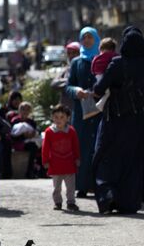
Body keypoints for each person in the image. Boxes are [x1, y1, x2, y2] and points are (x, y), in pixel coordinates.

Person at [92, 26, 144, 214]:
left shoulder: (117, 63)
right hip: (139, 122)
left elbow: (99, 88)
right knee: (133, 162)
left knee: (106, 157)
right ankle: (128, 202)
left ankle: (108, 197)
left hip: (114, 119)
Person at [65, 26, 100, 198]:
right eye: (84, 38)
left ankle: (98, 184)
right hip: (81, 112)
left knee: (98, 147)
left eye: (90, 37)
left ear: (96, 39)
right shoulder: (76, 62)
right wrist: (76, 91)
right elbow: (68, 86)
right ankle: (82, 185)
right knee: (81, 147)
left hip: (99, 111)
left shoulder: (102, 60)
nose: (87, 40)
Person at [41, 104, 80, 211]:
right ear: (52, 117)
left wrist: (77, 158)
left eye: (62, 117)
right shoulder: (49, 132)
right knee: (56, 187)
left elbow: (75, 146)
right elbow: (45, 147)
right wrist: (45, 160)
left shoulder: (71, 131)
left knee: (71, 186)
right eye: (56, 117)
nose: (59, 120)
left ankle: (71, 202)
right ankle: (57, 202)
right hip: (55, 164)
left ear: (68, 118)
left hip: (69, 163)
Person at [10, 102, 41, 178]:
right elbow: (12, 135)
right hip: (17, 143)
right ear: (19, 110)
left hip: (29, 142)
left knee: (34, 147)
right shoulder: (15, 120)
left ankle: (31, 171)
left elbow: (35, 132)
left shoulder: (32, 122)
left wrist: (32, 135)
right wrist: (23, 136)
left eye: (27, 109)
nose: (25, 111)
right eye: (23, 109)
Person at [90, 38, 118, 114]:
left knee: (105, 92)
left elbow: (93, 66)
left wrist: (95, 73)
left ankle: (100, 104)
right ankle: (100, 105)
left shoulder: (97, 57)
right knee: (109, 92)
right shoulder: (115, 56)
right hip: (109, 77)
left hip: (98, 76)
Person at [51, 42, 81, 111]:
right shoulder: (66, 69)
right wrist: (70, 81)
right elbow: (54, 83)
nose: (71, 55)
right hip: (65, 109)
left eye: (74, 53)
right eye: (69, 53)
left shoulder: (84, 68)